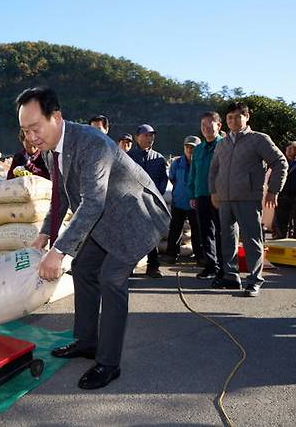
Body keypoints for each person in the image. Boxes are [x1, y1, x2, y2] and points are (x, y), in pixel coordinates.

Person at [17, 87, 169, 390]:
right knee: (84, 269)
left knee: (111, 279)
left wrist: (58, 251)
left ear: (56, 117)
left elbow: (92, 202)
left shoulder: (92, 143)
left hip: (136, 216)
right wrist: (46, 232)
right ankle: (87, 341)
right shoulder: (50, 150)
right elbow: (60, 196)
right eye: (25, 131)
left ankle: (108, 363)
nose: (31, 137)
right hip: (104, 219)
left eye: (35, 128)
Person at [209, 102, 287, 297]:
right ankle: (231, 276)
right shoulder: (222, 143)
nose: (233, 121)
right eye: (229, 118)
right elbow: (214, 170)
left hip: (248, 198)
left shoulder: (258, 140)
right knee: (227, 239)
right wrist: (213, 191)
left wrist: (273, 190)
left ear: (247, 117)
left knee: (252, 240)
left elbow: (280, 162)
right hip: (225, 199)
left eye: (237, 116)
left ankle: (254, 280)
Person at [188, 112, 225, 280]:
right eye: (203, 125)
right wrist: (193, 194)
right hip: (201, 195)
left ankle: (225, 269)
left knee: (222, 232)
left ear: (219, 126)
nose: (206, 128)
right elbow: (193, 173)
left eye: (210, 124)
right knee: (205, 232)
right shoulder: (199, 149)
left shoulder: (224, 146)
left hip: (219, 196)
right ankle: (211, 266)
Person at [128, 124, 168, 278]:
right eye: (146, 135)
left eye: (152, 135)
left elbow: (162, 181)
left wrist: (155, 196)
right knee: (131, 235)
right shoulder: (128, 157)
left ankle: (153, 266)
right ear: (137, 137)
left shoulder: (158, 158)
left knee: (152, 236)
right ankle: (129, 266)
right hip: (132, 203)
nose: (150, 138)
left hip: (151, 204)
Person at [165, 135, 203, 264]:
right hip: (179, 201)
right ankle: (171, 254)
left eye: (192, 147)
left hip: (196, 202)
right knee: (175, 229)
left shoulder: (201, 162)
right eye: (187, 147)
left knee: (197, 230)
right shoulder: (176, 163)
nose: (189, 149)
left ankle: (199, 256)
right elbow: (172, 179)